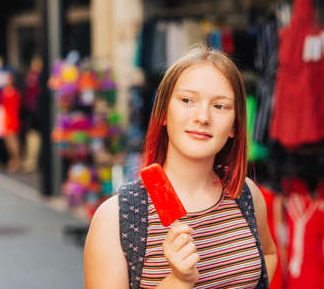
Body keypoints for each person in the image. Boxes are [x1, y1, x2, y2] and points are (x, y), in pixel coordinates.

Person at [84, 45, 277, 288]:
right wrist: (178, 281)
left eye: (220, 106)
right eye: (187, 100)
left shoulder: (247, 195)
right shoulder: (115, 218)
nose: (203, 117)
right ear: (163, 112)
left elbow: (268, 254)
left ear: (234, 127)